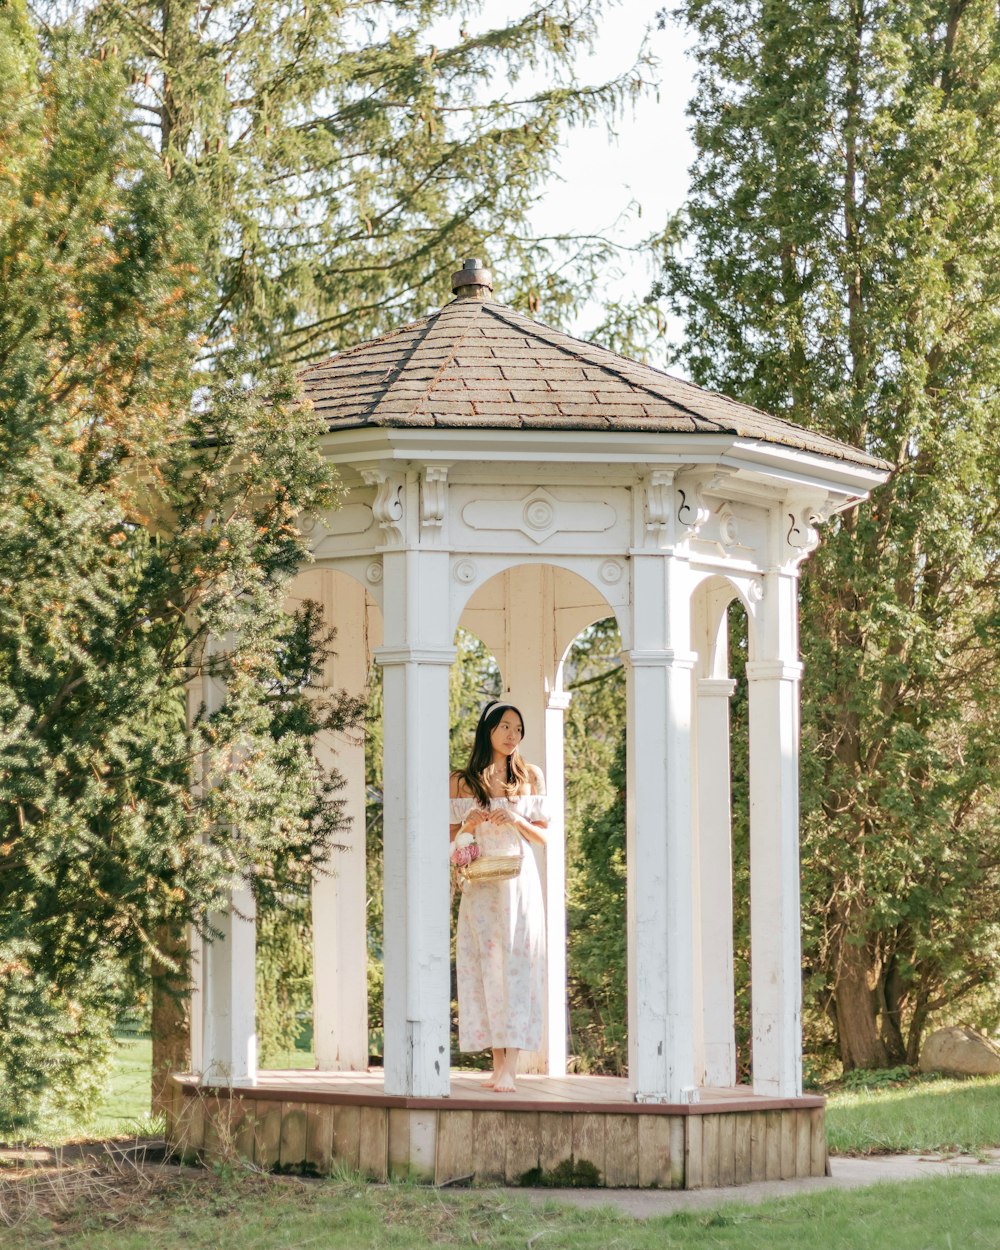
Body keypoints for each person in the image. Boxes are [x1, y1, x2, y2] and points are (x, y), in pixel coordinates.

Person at [449, 700, 549, 1093]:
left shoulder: (530, 776)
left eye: (518, 729)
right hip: (481, 885)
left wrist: (518, 819)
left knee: (518, 969)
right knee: (484, 969)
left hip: (519, 885)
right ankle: (496, 1061)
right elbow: (453, 842)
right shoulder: (462, 780)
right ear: (488, 729)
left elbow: (545, 836)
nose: (512, 736)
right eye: (505, 727)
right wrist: (469, 825)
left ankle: (512, 1064)